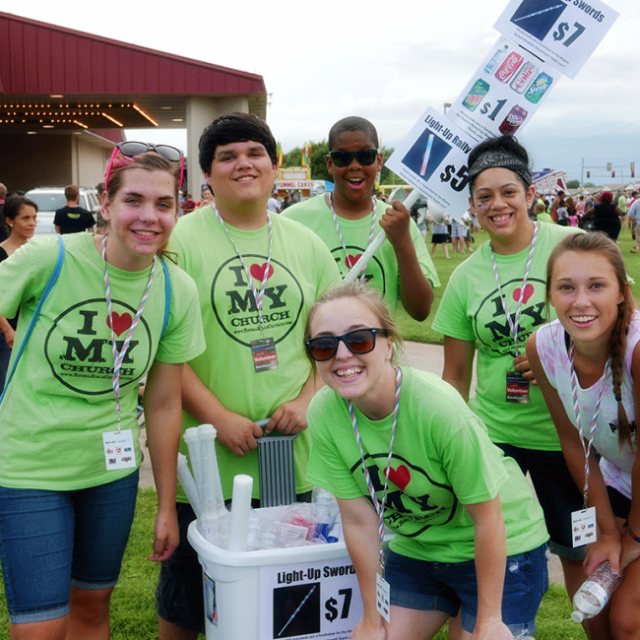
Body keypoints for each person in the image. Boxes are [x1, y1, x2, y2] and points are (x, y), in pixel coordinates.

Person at [0, 147, 205, 640]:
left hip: (109, 474)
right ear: (106, 204)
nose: (148, 217)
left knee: (92, 610)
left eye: (163, 204)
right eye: (134, 200)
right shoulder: (50, 257)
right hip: (30, 467)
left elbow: (162, 402)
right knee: (40, 629)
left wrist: (162, 508)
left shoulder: (176, 290)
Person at [156, 112, 342, 640]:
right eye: (227, 156)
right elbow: (166, 355)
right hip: (213, 460)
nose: (244, 164)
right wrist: (218, 418)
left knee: (292, 589)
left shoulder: (304, 243)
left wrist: (309, 398)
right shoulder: (182, 241)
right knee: (192, 593)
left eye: (255, 152)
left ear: (276, 164)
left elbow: (334, 338)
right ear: (206, 175)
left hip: (297, 452)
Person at [304, 283, 549, 640]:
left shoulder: (438, 408)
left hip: (504, 542)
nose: (341, 355)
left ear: (389, 344)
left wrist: (490, 620)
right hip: (418, 548)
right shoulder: (325, 413)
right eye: (324, 345)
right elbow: (359, 521)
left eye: (359, 339)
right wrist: (371, 617)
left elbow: (489, 518)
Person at [430, 135, 596, 632]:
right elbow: (456, 374)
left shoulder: (570, 246)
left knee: (579, 553)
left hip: (563, 435)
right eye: (484, 197)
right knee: (483, 544)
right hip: (494, 436)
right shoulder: (465, 276)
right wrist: (447, 440)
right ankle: (489, 625)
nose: (497, 205)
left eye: (508, 192)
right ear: (472, 206)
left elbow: (613, 327)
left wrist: (558, 353)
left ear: (528, 194)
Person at [527, 233, 640, 639]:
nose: (581, 301)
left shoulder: (637, 350)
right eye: (566, 287)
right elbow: (573, 442)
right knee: (595, 610)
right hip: (619, 482)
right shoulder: (543, 346)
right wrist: (607, 532)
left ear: (622, 293)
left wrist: (633, 538)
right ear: (551, 295)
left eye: (597, 285)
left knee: (629, 619)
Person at [282, 116, 438, 321]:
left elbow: (421, 310)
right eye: (342, 158)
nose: (355, 165)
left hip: (378, 351)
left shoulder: (398, 222)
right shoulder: (293, 221)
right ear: (330, 164)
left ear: (379, 161)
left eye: (365, 156)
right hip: (317, 350)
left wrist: (402, 242)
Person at [0, 196, 38, 389]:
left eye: (34, 217)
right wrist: (7, 331)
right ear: (10, 220)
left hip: (35, 328)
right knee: (7, 383)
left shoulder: (41, 251)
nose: (32, 223)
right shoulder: (1, 253)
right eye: (25, 218)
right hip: (7, 331)